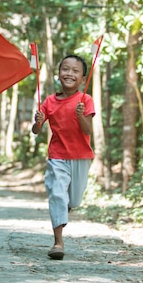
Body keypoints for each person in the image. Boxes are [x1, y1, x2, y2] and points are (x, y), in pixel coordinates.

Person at [32, 54, 95, 260]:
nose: (69, 73)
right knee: (58, 194)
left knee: (73, 200)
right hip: (57, 156)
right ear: (59, 73)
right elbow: (36, 131)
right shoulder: (49, 101)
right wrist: (38, 121)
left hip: (81, 157)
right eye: (65, 69)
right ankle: (58, 242)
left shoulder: (86, 100)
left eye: (75, 71)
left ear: (83, 79)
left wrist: (80, 115)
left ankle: (64, 207)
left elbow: (88, 130)